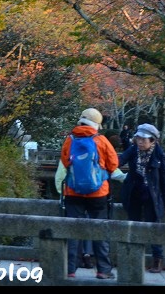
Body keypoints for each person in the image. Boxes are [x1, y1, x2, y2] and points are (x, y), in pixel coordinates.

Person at [55, 108, 119, 279]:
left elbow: (65, 161)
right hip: (98, 193)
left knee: (72, 231)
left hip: (73, 192)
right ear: (97, 124)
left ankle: (70, 269)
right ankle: (103, 270)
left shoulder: (69, 140)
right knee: (100, 231)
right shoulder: (101, 140)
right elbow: (113, 165)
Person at [117, 123, 165, 273]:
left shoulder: (160, 155)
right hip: (134, 192)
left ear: (153, 140)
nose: (140, 142)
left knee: (153, 227)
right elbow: (120, 160)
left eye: (144, 139)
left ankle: (157, 260)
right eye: (138, 139)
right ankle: (133, 258)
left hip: (152, 196)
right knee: (133, 225)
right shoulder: (133, 150)